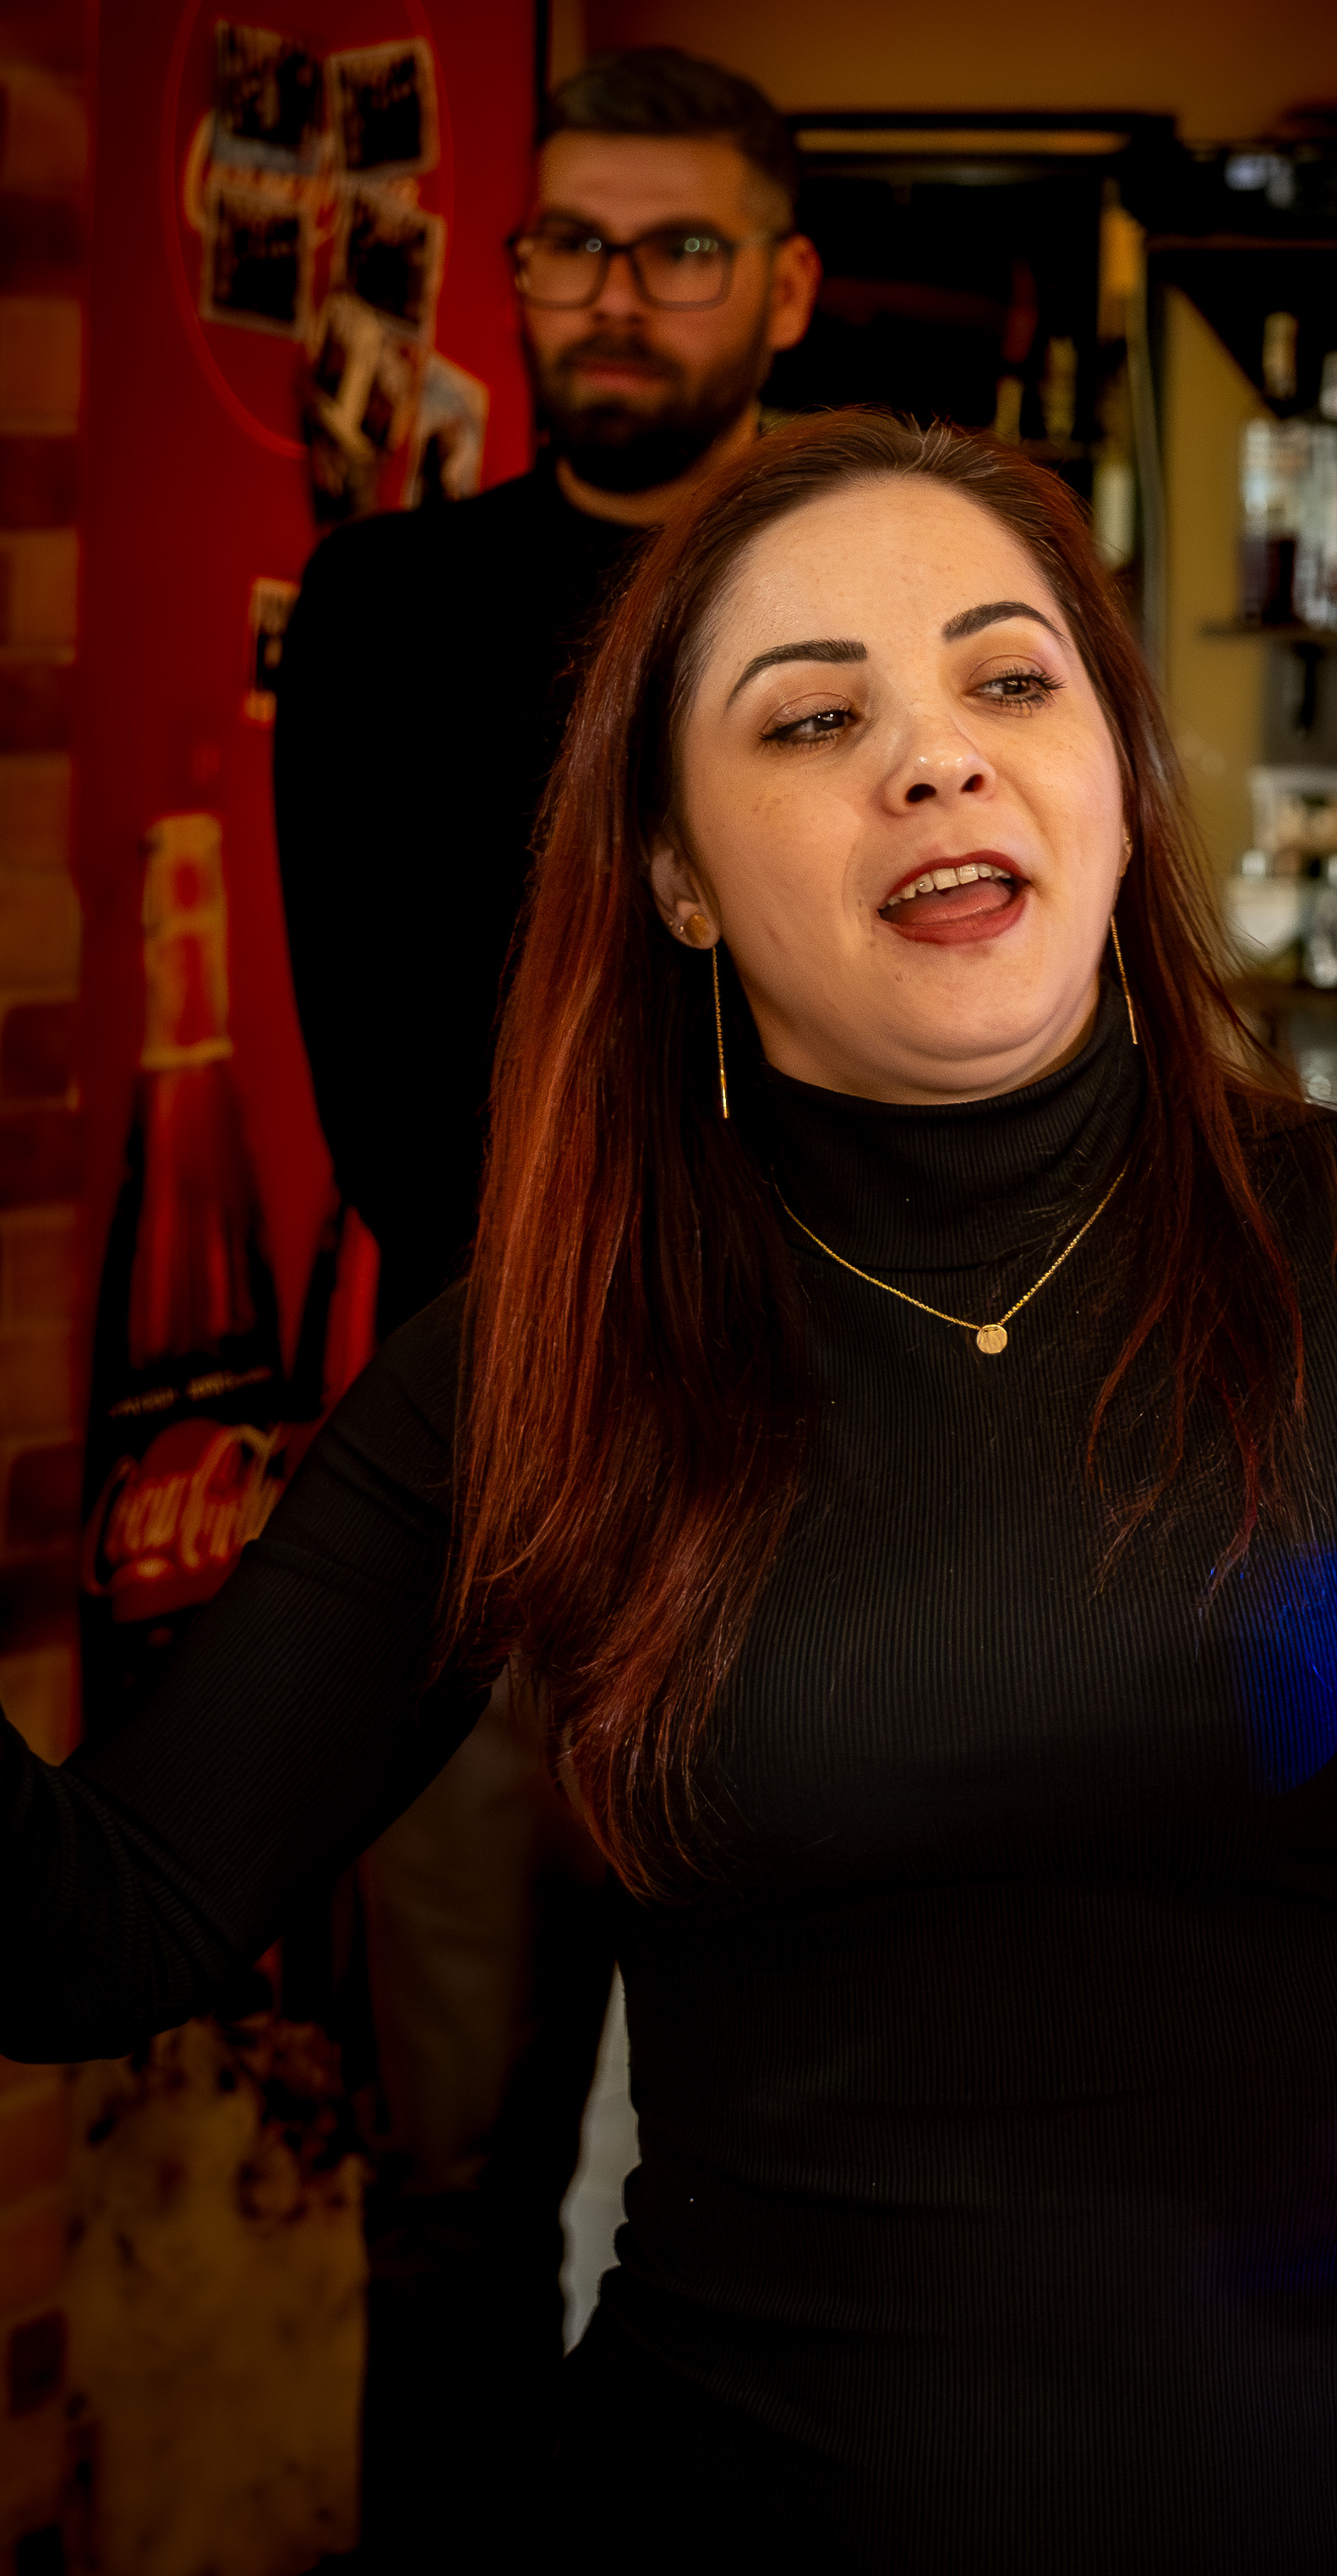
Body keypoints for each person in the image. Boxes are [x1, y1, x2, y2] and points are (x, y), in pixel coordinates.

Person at [11, 412, 1337, 2573]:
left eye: (1008, 679)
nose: (936, 759)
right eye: (815, 718)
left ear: (1117, 776)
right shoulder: (549, 1348)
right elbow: (89, 1927)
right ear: (676, 875)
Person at [268, 49, 819, 2570]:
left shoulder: (862, 613)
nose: (614, 296)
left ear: (780, 288)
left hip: (822, 1502)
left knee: (794, 2211)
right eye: (570, 245)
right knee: (453, 2206)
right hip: (487, 1502)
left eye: (676, 249)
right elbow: (394, 1105)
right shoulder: (386, 615)